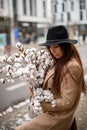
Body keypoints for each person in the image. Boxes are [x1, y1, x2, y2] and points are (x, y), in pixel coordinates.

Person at [15, 25, 87, 130]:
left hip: (59, 117)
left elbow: (67, 101)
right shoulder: (59, 61)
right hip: (53, 113)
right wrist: (36, 87)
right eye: (50, 47)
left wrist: (42, 103)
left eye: (56, 46)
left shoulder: (71, 66)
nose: (52, 51)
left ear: (65, 46)